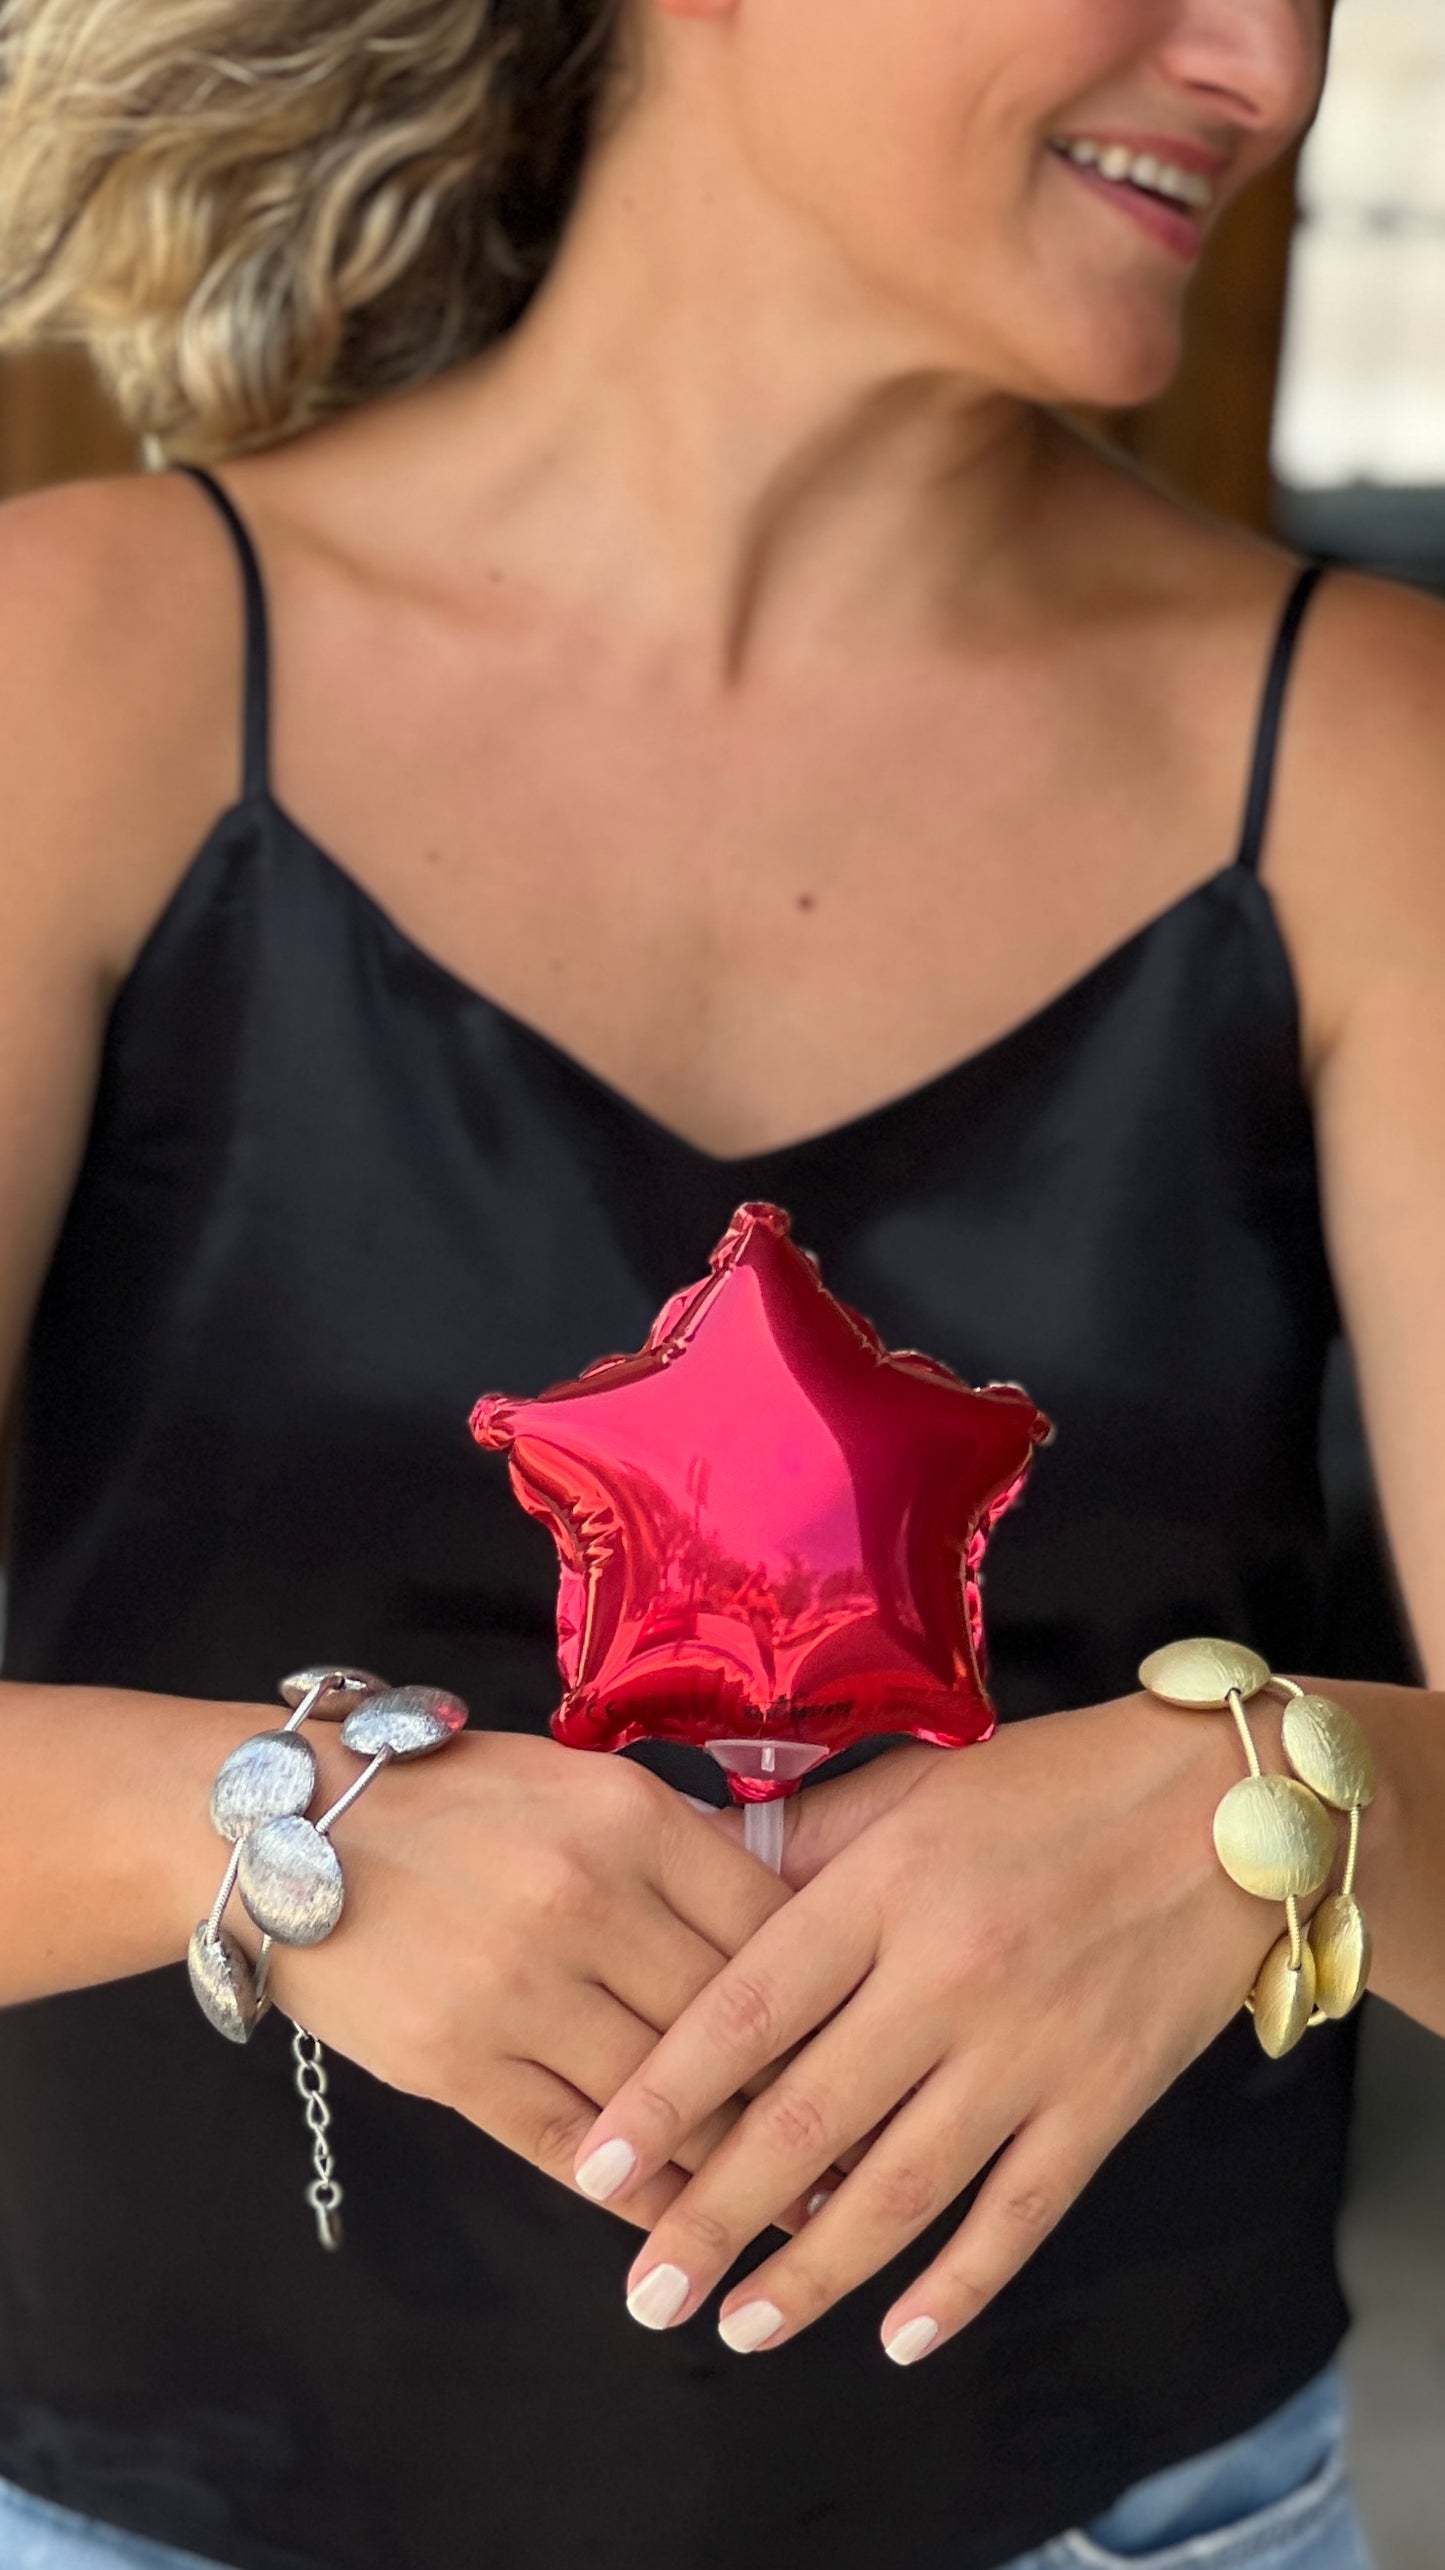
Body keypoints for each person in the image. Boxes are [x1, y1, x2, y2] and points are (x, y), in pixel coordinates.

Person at [0, 0, 1442, 2564]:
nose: (1265, 60)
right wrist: (264, 1827)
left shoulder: (1380, 761)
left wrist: (1282, 1803)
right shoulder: (70, 672)